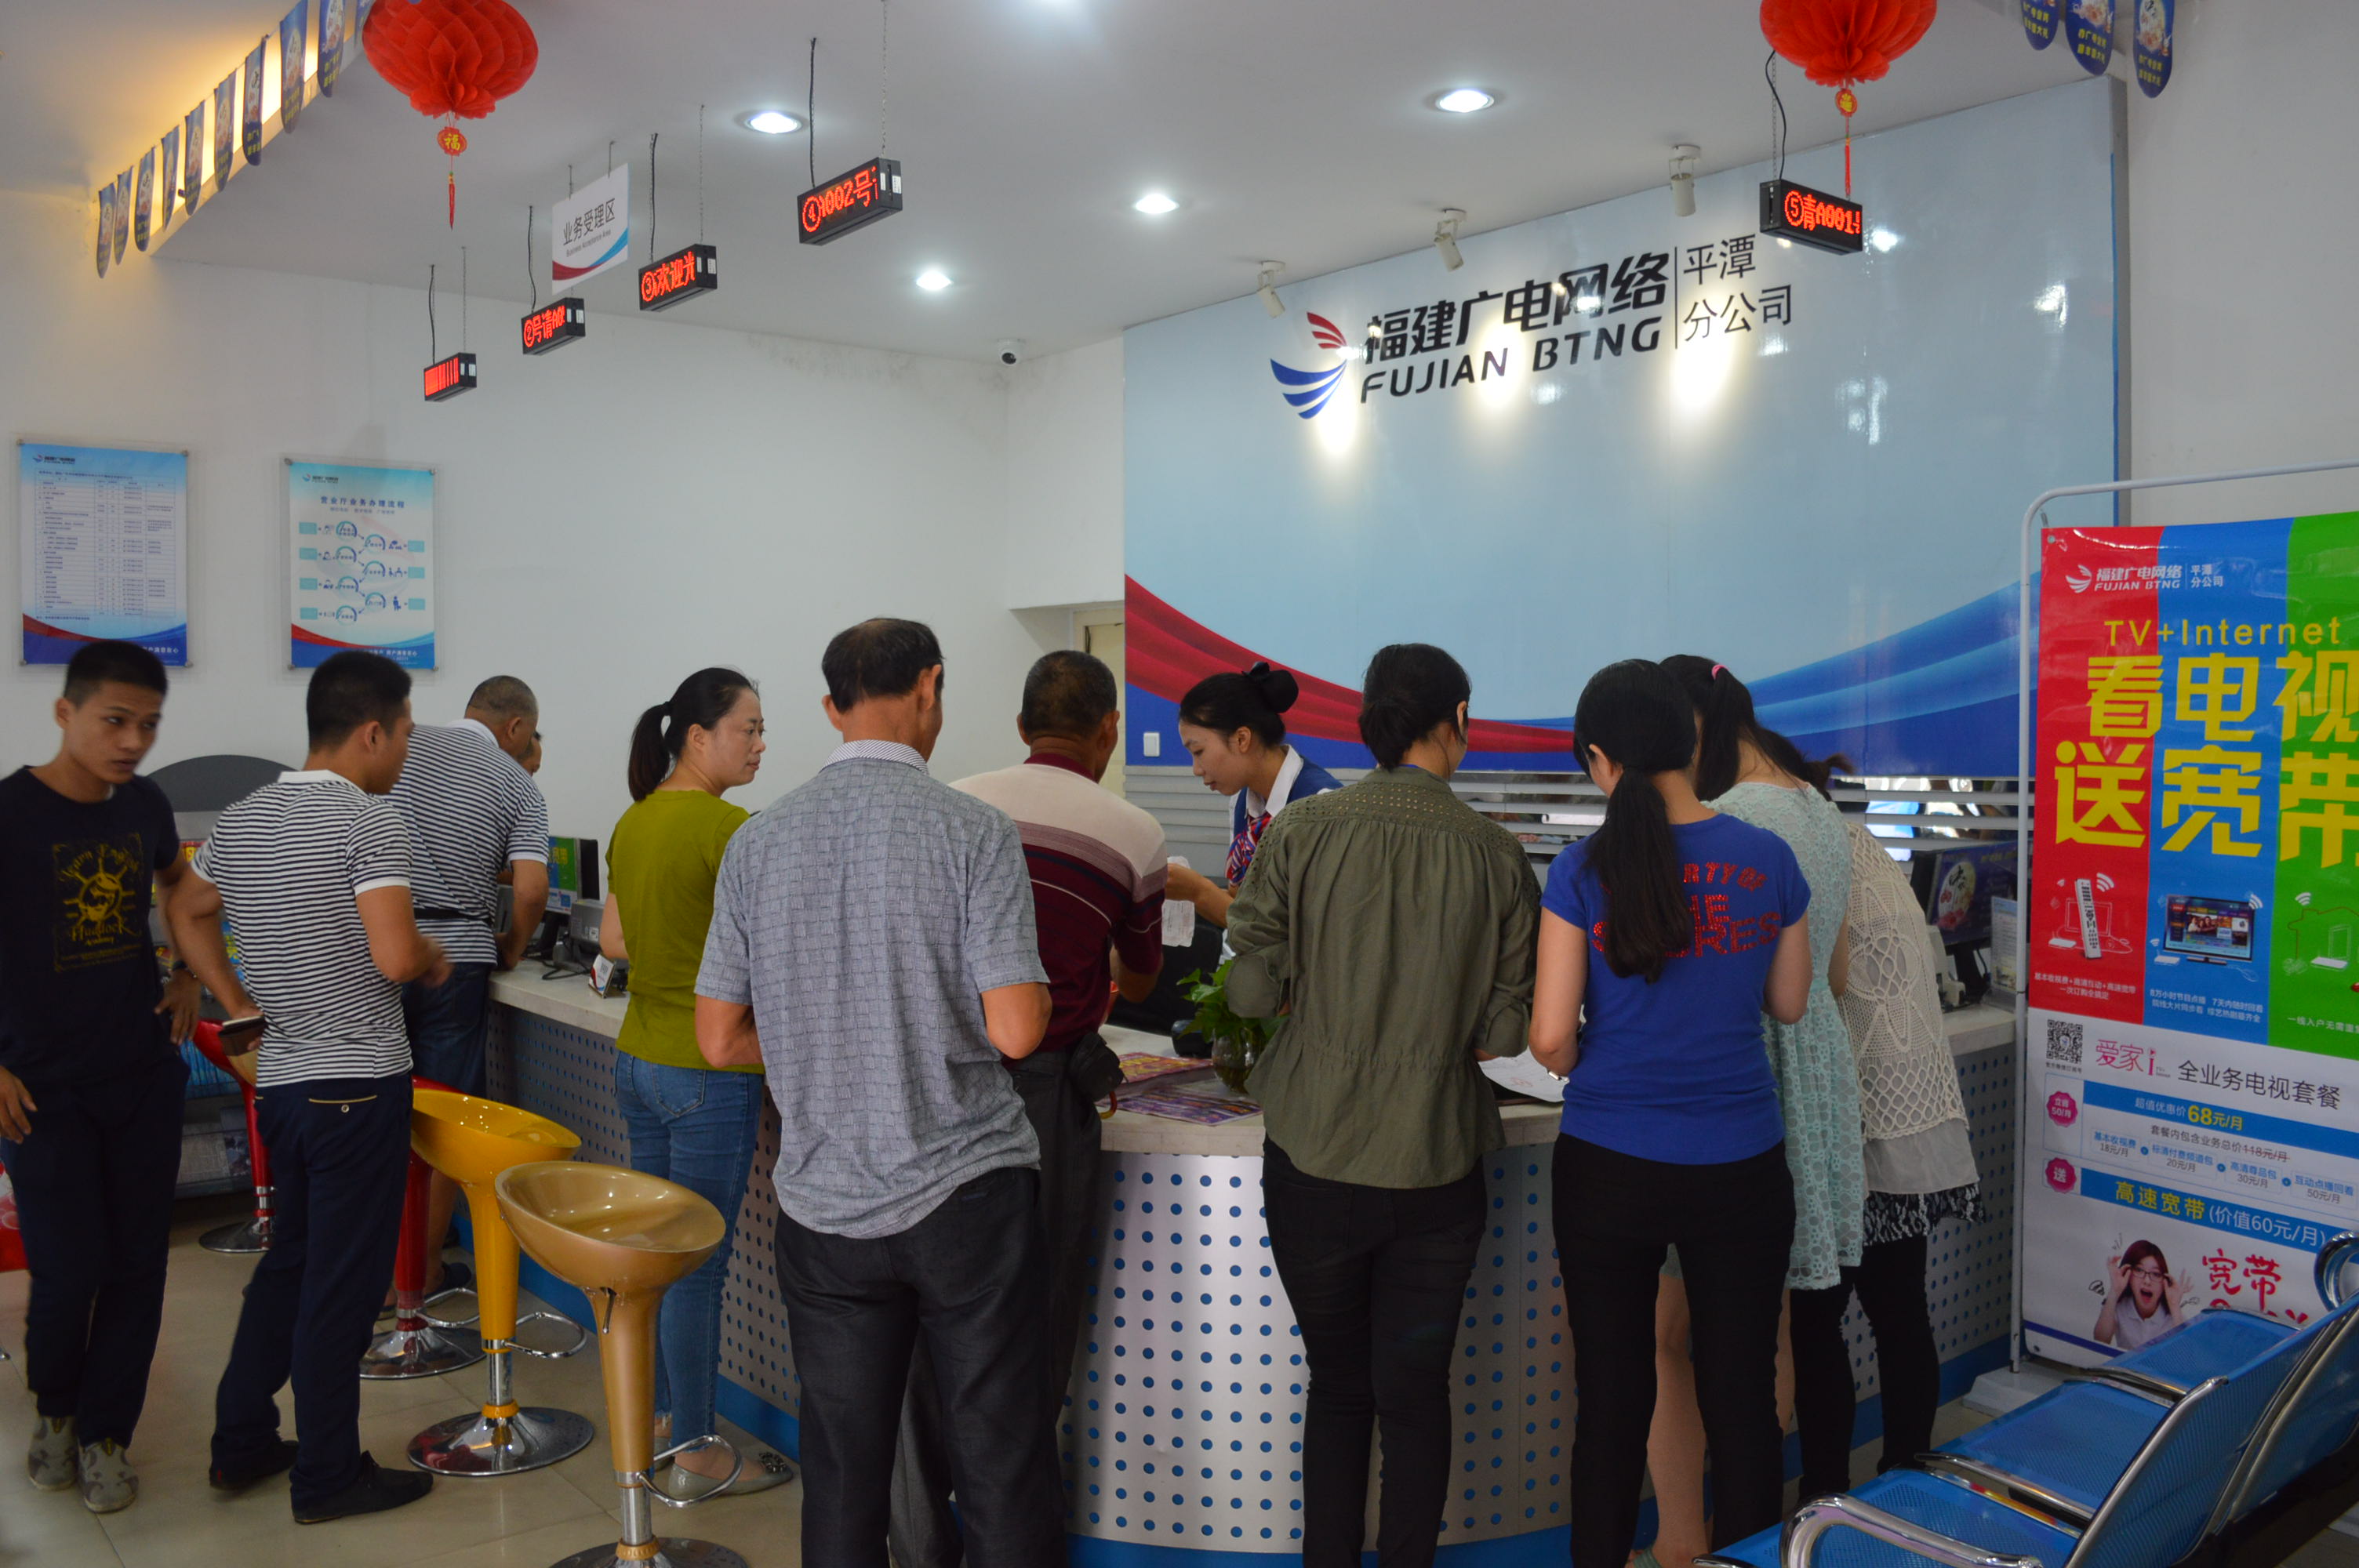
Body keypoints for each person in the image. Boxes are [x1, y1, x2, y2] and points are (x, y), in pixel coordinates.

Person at [695, 619, 1061, 1567]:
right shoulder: (972, 829)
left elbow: (718, 1034)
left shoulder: (757, 841)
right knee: (998, 1455)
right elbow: (1018, 1029)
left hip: (823, 1207)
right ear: (929, 685)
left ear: (830, 707)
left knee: (844, 1468)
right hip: (965, 1194)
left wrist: (820, 1042)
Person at [1225, 643, 1539, 1567]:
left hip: (1311, 1159)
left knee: (1336, 1385)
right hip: (1436, 1168)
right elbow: (1503, 1036)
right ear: (1457, 721)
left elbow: (1248, 990)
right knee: (1413, 1393)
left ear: (1369, 723)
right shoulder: (1496, 854)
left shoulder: (1301, 829)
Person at [890, 648, 1169, 1566]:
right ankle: (1007, 1540)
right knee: (1034, 1322)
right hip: (1046, 1090)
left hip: (935, 1080)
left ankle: (919, 1543)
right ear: (1108, 731)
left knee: (927, 1320)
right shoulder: (1133, 832)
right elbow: (1141, 977)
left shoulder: (954, 803)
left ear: (1018, 726)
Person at [1529, 659, 1812, 1568]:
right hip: (1740, 1161)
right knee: (1741, 1397)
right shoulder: (1768, 859)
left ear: (1600, 759)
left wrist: (1593, 1056)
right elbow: (1788, 1003)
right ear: (1691, 742)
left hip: (1607, 1161)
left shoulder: (1581, 869)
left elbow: (1548, 1037)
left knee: (1611, 1399)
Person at [180, 651, 449, 1523]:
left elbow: (187, 909)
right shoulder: (371, 820)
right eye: (404, 734)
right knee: (342, 1287)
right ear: (371, 732)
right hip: (358, 1084)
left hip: (287, 1087)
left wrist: (237, 1002)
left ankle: (242, 1439)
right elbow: (394, 956)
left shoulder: (242, 819)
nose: (405, 751)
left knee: (291, 1265)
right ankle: (328, 1473)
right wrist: (433, 952)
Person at [1634, 655, 1859, 1559]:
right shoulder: (1816, 808)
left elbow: (1693, 977)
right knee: (1770, 1330)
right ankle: (1753, 1541)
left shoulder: (1733, 822)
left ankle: (1681, 1541)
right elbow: (1830, 974)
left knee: (1663, 1333)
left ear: (1692, 725)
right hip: (1815, 1081)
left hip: (1738, 1086)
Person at [0, 641, 206, 1513]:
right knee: (66, 1268)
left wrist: (188, 973)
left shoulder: (147, 803)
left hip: (139, 1072)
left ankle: (106, 1435)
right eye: (115, 721)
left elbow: (180, 886)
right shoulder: (11, 813)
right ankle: (55, 1409)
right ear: (65, 712)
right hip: (39, 1088)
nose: (132, 741)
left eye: (148, 724)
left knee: (136, 1265)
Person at [598, 666, 793, 1497]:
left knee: (655, 1255)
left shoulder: (635, 819)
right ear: (698, 736)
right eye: (749, 727)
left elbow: (614, 941)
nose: (760, 744)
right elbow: (779, 953)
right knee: (695, 1268)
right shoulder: (730, 829)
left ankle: (660, 1417)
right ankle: (698, 1450)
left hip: (638, 1061)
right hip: (709, 1071)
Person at [1792, 815, 1985, 1498]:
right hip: (1904, 1118)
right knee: (1900, 1310)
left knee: (1817, 1322)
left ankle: (1824, 1494)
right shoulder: (1862, 848)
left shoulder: (1801, 845)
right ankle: (1905, 1479)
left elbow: (1813, 985)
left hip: (1845, 1123)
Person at [384, 674, 549, 1300]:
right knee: (443, 1122)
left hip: (379, 943)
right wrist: (511, 945)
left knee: (375, 1114)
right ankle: (420, 1277)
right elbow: (531, 889)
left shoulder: (401, 744)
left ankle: (375, 1273)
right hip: (458, 958)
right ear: (515, 727)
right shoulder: (515, 781)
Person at [1163, 661, 1339, 925]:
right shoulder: (1243, 802)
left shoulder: (1321, 805)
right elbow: (1242, 908)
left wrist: (1200, 892)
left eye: (1199, 752)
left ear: (1242, 739)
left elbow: (1307, 930)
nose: (1196, 769)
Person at [2096, 1241, 2190, 1349]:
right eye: (2139, 1270)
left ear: (2164, 1282)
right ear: (2129, 1274)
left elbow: (2185, 1351)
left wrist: (2174, 1306)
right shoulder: (2119, 1306)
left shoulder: (2174, 1316)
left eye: (2156, 1274)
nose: (2147, 1281)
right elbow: (2100, 1340)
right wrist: (2114, 1291)